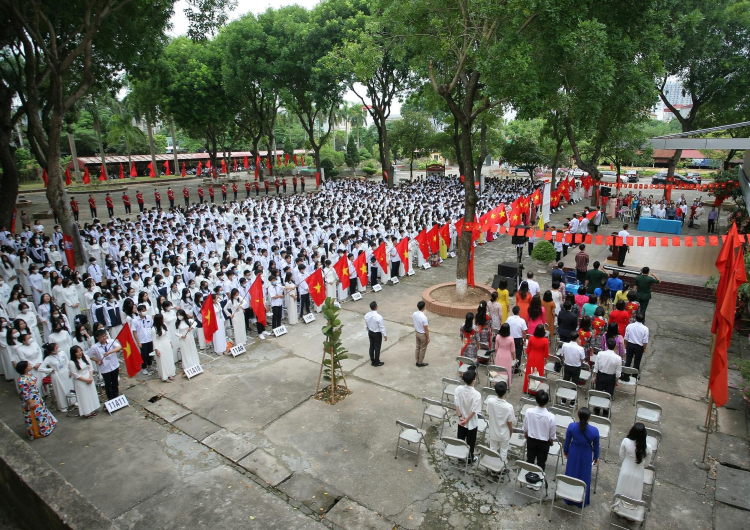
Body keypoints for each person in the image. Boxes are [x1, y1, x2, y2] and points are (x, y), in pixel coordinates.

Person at [563, 407, 599, 507]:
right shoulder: (594, 431)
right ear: (589, 418)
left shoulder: (572, 427)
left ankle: (568, 497)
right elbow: (596, 447)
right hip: (586, 453)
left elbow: (567, 441)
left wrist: (566, 451)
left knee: (571, 472)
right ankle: (581, 499)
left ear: (578, 416)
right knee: (584, 475)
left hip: (574, 451)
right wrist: (596, 457)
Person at [612, 423, 653, 513]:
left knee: (621, 489)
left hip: (626, 469)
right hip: (638, 473)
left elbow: (621, 456)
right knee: (634, 493)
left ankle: (618, 507)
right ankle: (631, 512)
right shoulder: (648, 448)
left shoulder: (625, 441)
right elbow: (646, 464)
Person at [16, 361, 57, 439]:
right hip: (32, 400)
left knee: (42, 412)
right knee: (37, 415)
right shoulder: (22, 380)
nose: (30, 365)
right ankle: (41, 431)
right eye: (28, 365)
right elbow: (25, 393)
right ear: (25, 369)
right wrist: (30, 402)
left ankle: (47, 427)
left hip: (37, 397)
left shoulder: (29, 374)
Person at [522, 389, 556, 472]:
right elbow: (552, 433)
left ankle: (528, 478)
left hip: (531, 440)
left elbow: (525, 427)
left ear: (536, 400)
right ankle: (538, 480)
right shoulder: (551, 417)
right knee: (541, 463)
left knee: (530, 460)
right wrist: (551, 441)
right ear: (547, 401)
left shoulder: (529, 412)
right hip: (544, 443)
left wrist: (526, 434)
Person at [454, 365, 481, 462]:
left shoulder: (458, 389)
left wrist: (460, 417)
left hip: (461, 420)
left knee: (460, 439)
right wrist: (467, 420)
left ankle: (460, 457)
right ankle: (470, 458)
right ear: (474, 380)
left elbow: (456, 404)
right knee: (471, 441)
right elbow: (474, 410)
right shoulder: (477, 394)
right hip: (471, 422)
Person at [87, 329, 122, 401]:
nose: (104, 337)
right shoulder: (95, 347)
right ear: (98, 338)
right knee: (108, 383)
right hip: (105, 368)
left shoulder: (111, 342)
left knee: (115, 381)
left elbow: (119, 347)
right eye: (102, 336)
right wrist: (97, 360)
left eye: (105, 335)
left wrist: (109, 352)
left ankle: (116, 395)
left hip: (114, 365)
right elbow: (88, 355)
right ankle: (110, 398)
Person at [39, 342, 74, 412]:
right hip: (57, 375)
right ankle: (63, 406)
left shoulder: (62, 353)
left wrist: (70, 370)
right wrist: (50, 370)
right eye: (56, 348)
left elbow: (67, 362)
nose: (58, 348)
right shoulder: (48, 358)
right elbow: (40, 368)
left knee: (69, 387)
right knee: (59, 390)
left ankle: (73, 401)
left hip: (66, 372)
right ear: (52, 351)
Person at [486, 381, 514, 465]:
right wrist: (511, 431)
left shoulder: (490, 401)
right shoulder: (509, 407)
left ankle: (492, 467)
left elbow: (488, 412)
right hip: (504, 433)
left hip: (493, 430)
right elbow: (509, 422)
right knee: (503, 450)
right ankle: (501, 467)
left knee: (493, 449)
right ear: (506, 391)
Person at [68, 345, 100, 418]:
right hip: (81, 381)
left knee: (91, 394)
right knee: (84, 396)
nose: (80, 353)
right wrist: (86, 380)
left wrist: (90, 378)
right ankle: (86, 412)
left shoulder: (86, 357)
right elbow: (75, 374)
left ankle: (92, 409)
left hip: (89, 377)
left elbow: (90, 368)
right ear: (74, 353)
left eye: (80, 351)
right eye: (77, 352)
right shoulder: (71, 362)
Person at [592, 337, 622, 416]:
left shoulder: (600, 354)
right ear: (615, 346)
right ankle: (605, 411)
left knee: (598, 393)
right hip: (610, 377)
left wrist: (595, 376)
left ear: (606, 345)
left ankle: (597, 410)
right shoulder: (618, 358)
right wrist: (616, 381)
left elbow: (596, 367)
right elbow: (618, 372)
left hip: (601, 375)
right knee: (608, 394)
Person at [522, 324, 549, 393]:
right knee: (539, 373)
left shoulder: (531, 338)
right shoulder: (545, 340)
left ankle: (527, 389)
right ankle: (537, 390)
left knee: (529, 372)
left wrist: (527, 357)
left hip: (531, 356)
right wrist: (546, 359)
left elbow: (528, 350)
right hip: (540, 358)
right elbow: (546, 353)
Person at [560, 332, 585, 403]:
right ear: (577, 338)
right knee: (574, 384)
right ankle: (572, 401)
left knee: (566, 382)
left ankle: (563, 399)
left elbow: (563, 354)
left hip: (567, 365)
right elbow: (582, 360)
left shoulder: (565, 345)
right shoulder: (580, 348)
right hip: (576, 367)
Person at [152, 314, 176, 383]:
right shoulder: (154, 329)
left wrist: (170, 342)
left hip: (166, 343)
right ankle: (164, 376)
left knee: (169, 358)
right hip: (160, 345)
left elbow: (167, 334)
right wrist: (156, 349)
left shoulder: (164, 325)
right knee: (163, 360)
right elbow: (154, 340)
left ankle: (170, 374)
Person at [132, 304, 154, 375]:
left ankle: (150, 365)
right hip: (142, 340)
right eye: (143, 311)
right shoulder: (135, 320)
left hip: (149, 339)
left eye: (145, 310)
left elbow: (151, 327)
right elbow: (134, 332)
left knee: (150, 353)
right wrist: (138, 342)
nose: (144, 312)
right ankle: (144, 367)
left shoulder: (149, 318)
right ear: (139, 312)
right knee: (144, 355)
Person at [364, 301, 386, 366]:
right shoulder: (379, 317)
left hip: (370, 332)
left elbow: (366, 323)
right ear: (376, 307)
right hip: (377, 333)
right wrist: (385, 335)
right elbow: (382, 327)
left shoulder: (367, 315)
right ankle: (377, 362)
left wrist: (368, 329)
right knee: (377, 347)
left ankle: (372, 360)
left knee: (371, 346)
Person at [412, 301, 430, 367]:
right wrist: (428, 338)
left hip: (417, 332)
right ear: (424, 307)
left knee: (417, 347)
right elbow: (426, 329)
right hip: (422, 334)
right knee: (423, 348)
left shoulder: (414, 314)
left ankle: (417, 360)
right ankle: (420, 362)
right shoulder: (424, 318)